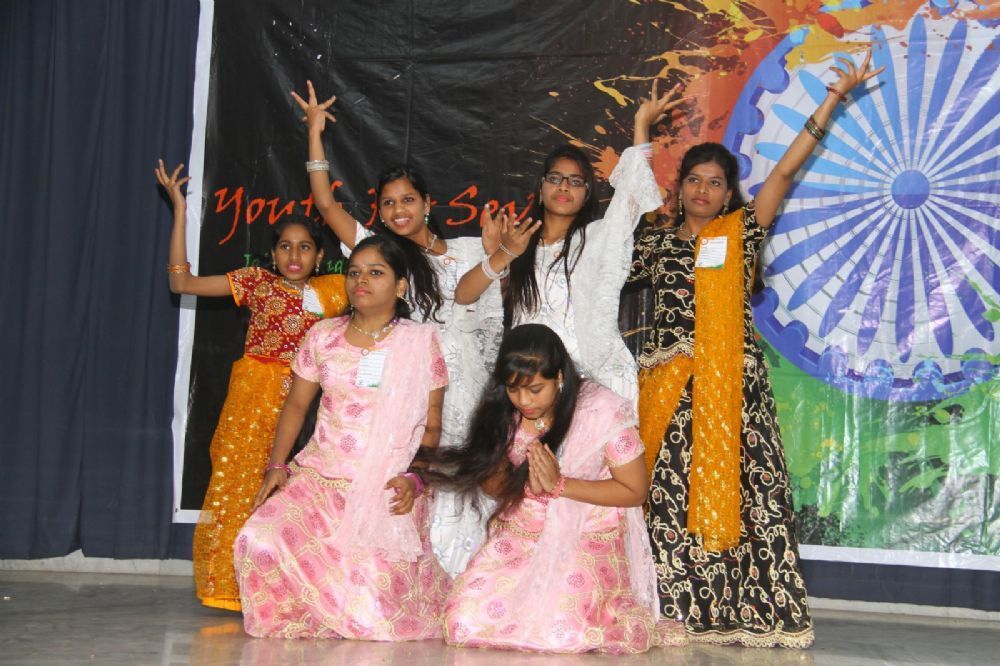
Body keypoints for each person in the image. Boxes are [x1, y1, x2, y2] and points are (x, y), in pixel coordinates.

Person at [629, 51, 883, 647]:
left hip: (731, 393)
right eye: (694, 179)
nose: (703, 189)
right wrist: (640, 129)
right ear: (680, 186)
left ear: (728, 194)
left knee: (744, 500)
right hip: (666, 390)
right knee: (666, 499)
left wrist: (833, 99)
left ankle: (740, 610)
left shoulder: (740, 233)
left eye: (715, 182)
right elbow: (631, 194)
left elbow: (786, 173)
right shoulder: (649, 237)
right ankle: (673, 610)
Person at [292, 82, 507, 575]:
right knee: (422, 477)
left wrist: (497, 253)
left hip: (468, 382)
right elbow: (326, 205)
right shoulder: (383, 254)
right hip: (412, 386)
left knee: (474, 479)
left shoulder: (469, 249)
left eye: (407, 199)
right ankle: (425, 577)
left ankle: (476, 579)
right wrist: (315, 133)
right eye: (388, 204)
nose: (398, 211)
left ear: (427, 202)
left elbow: (491, 318)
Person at [235, 234, 451, 640]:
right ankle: (308, 617)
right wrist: (277, 465)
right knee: (257, 537)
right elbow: (296, 406)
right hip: (319, 477)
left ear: (400, 286)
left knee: (372, 612)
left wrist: (415, 477)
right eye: (354, 272)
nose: (360, 280)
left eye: (375, 272)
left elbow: (432, 425)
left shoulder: (419, 342)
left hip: (385, 484)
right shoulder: (323, 335)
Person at [155, 161, 348, 612]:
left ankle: (298, 588)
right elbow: (180, 282)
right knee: (240, 487)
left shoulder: (338, 290)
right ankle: (235, 586)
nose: (294, 255)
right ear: (273, 254)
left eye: (304, 247)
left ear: (320, 255)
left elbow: (385, 276)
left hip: (312, 407)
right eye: (285, 246)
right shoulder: (256, 283)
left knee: (305, 495)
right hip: (252, 402)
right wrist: (179, 210)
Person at [435, 324, 685, 654]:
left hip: (584, 536)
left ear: (560, 378)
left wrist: (560, 486)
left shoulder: (601, 411)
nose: (524, 400)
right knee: (462, 622)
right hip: (521, 536)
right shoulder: (504, 413)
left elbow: (635, 491)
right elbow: (495, 486)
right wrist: (518, 483)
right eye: (513, 389)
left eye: (535, 389)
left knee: (562, 630)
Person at [454, 81, 684, 408]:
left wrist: (641, 124)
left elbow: (631, 196)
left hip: (595, 383)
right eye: (555, 178)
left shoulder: (597, 238)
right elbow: (465, 296)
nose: (564, 186)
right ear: (541, 188)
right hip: (533, 384)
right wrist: (500, 254)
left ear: (587, 194)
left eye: (576, 181)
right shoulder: (517, 241)